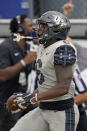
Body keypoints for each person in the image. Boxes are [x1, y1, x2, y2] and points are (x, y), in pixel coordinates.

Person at [10, 11, 79, 131]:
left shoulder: (63, 49)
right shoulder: (43, 46)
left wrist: (32, 99)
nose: (39, 29)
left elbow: (63, 88)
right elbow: (46, 84)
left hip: (62, 111)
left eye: (44, 26)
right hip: (44, 108)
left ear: (55, 29)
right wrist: (28, 96)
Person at [0, 14, 37, 131]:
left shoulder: (27, 46)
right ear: (20, 28)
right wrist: (24, 62)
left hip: (22, 100)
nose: (33, 28)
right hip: (7, 103)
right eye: (30, 25)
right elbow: (2, 75)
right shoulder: (6, 47)